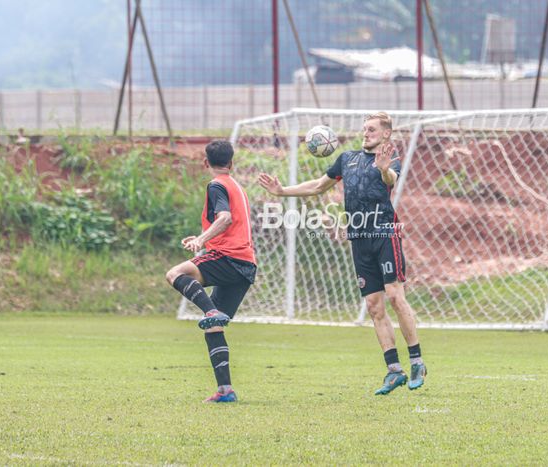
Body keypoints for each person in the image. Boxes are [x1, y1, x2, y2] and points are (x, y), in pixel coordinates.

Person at [258, 112, 426, 395]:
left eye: (372, 129)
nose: (366, 133)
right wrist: (281, 191)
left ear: (386, 134)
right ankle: (394, 370)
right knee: (374, 305)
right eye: (364, 129)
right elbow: (318, 185)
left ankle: (417, 361)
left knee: (396, 296)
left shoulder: (389, 157)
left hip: (384, 233)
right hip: (359, 238)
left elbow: (391, 178)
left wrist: (384, 169)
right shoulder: (346, 158)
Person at [166, 140, 256, 403]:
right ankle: (225, 390)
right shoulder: (236, 186)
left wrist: (201, 241)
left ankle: (210, 310)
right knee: (213, 327)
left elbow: (225, 218)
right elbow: (230, 221)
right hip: (246, 264)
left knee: (174, 274)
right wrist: (205, 237)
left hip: (228, 257)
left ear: (205, 162)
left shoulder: (216, 185)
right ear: (231, 162)